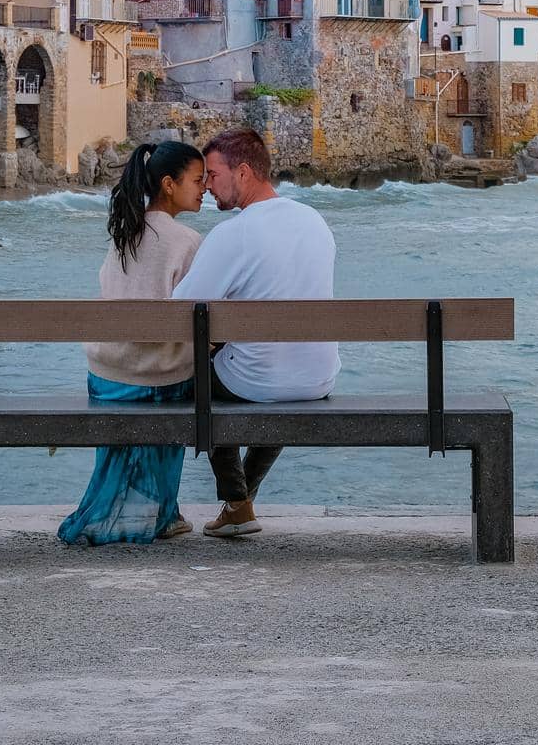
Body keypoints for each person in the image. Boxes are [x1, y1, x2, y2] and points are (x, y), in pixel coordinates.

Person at [172, 128, 338, 538]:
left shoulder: (234, 232)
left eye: (212, 174)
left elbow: (181, 308)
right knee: (271, 363)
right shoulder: (314, 220)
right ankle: (239, 503)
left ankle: (237, 500)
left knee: (198, 374)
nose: (208, 186)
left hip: (259, 380)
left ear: (243, 172)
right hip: (318, 378)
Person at [58, 141, 205, 546]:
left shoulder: (124, 232)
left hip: (107, 373)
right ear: (169, 184)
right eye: (197, 179)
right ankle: (164, 513)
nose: (205, 187)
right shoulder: (188, 240)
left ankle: (134, 510)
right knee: (190, 372)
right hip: (160, 377)